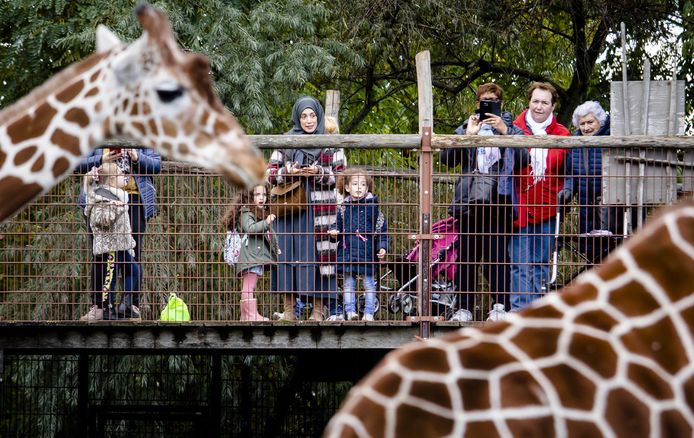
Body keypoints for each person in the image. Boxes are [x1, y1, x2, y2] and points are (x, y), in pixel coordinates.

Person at [440, 83, 525, 321]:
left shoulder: (512, 129)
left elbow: (524, 158)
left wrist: (505, 132)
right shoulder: (467, 126)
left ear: (500, 104)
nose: (487, 104)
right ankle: (463, 308)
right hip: (469, 202)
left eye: (493, 100)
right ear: (477, 104)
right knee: (467, 256)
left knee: (497, 256)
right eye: (483, 100)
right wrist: (468, 136)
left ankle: (500, 306)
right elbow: (446, 158)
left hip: (499, 201)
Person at [267, 96, 345, 321]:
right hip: (289, 210)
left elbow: (341, 176)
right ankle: (290, 311)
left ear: (318, 116)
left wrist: (319, 173)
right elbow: (270, 174)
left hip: (320, 212)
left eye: (312, 115)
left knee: (319, 258)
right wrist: (288, 173)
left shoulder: (331, 143)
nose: (308, 120)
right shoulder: (286, 141)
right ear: (297, 117)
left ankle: (318, 312)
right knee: (287, 256)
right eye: (304, 116)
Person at [76, 146, 161, 318]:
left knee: (132, 253)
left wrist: (137, 157)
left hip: (134, 199)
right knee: (101, 254)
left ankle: (130, 305)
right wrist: (101, 161)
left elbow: (156, 165)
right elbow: (77, 163)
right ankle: (100, 307)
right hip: (101, 199)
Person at [510, 82, 570, 310]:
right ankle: (519, 311)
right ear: (529, 102)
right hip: (519, 207)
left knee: (541, 263)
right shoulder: (514, 129)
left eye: (545, 102)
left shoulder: (562, 134)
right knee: (519, 263)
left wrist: (563, 193)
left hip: (547, 207)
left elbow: (567, 171)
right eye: (535, 101)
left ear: (552, 106)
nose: (539, 106)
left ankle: (537, 311)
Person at [80, 163, 140, 320]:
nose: (125, 176)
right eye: (121, 174)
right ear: (112, 179)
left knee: (134, 271)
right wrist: (117, 207)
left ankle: (125, 306)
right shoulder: (101, 196)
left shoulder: (119, 195)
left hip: (122, 245)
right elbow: (101, 220)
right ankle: (108, 309)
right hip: (110, 247)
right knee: (110, 278)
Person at [329, 169, 389, 321]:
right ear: (347, 187)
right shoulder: (342, 208)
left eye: (363, 184)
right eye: (355, 184)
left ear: (367, 188)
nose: (359, 187)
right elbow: (338, 225)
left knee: (369, 284)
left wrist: (382, 247)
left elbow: (381, 229)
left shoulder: (373, 208)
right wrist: (334, 232)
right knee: (348, 284)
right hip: (348, 252)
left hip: (367, 253)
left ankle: (368, 314)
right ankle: (351, 313)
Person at [557, 101, 612, 262]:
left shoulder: (611, 138)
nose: (586, 127)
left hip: (610, 207)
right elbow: (570, 175)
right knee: (591, 254)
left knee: (610, 250)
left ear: (600, 121)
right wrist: (567, 190)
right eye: (582, 124)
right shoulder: (575, 143)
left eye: (590, 122)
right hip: (585, 206)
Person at [222, 185, 280, 321]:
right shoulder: (246, 213)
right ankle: (250, 315)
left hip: (254, 256)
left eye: (264, 194)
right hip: (250, 256)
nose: (262, 198)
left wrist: (275, 247)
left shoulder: (257, 213)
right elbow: (251, 229)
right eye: (257, 194)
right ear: (249, 196)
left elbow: (269, 234)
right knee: (249, 285)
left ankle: (246, 315)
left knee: (250, 285)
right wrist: (266, 222)